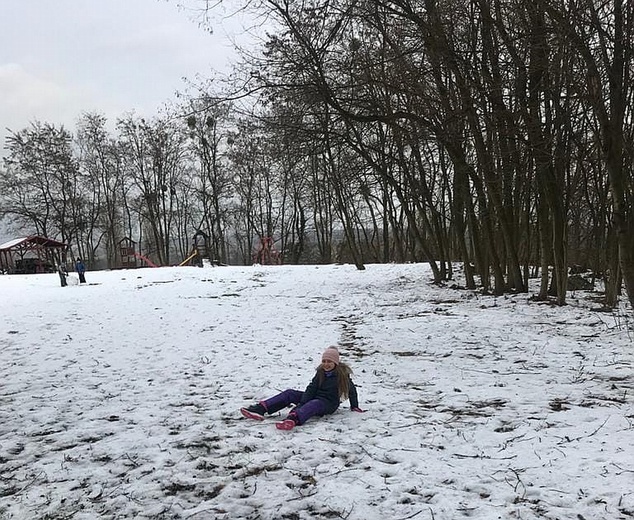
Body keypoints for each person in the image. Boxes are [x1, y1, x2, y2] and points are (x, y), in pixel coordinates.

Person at [241, 346, 365, 430]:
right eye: (324, 361)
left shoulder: (342, 375)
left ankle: (293, 419)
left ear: (335, 363)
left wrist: (354, 406)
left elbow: (352, 391)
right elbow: (311, 388)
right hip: (315, 397)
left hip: (328, 404)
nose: (326, 364)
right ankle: (260, 408)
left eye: (329, 361)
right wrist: (302, 402)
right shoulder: (321, 372)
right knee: (290, 393)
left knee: (314, 403)